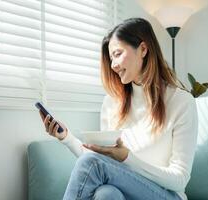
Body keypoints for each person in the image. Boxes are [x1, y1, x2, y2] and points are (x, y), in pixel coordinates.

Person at [39, 18, 197, 200]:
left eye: (118, 54)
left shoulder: (182, 101)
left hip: (167, 195)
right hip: (125, 191)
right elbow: (99, 161)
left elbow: (180, 180)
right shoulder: (111, 103)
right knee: (106, 193)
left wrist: (127, 158)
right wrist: (65, 137)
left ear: (143, 49)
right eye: (111, 58)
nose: (113, 65)